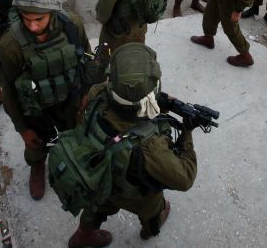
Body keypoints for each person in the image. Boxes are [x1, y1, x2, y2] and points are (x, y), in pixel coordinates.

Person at [66, 43, 196, 248]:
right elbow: (185, 178)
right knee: (153, 208)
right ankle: (149, 229)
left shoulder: (97, 94)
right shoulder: (151, 146)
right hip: (133, 194)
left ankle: (83, 235)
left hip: (99, 174)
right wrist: (187, 133)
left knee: (96, 206)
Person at [0, 0, 91, 200]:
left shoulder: (72, 25)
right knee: (36, 146)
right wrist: (22, 128)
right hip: (36, 110)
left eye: (39, 19)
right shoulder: (11, 44)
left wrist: (87, 94)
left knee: (75, 137)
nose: (32, 25)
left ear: (53, 12)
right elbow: (9, 91)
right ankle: (37, 166)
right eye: (26, 19)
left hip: (70, 99)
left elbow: (87, 60)